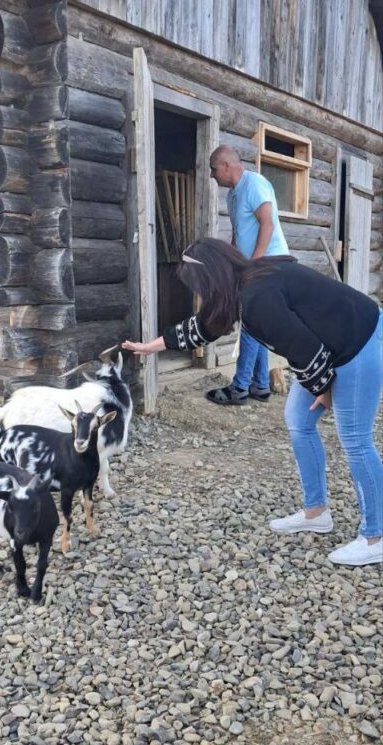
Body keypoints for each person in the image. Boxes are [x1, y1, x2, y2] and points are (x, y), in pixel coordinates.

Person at [123, 238, 383, 567]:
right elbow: (207, 325)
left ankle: (375, 537)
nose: (199, 295)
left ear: (211, 279)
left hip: (359, 340)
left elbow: (302, 347)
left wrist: (322, 387)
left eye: (198, 287)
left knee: (356, 440)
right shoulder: (243, 283)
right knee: (298, 420)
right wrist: (152, 347)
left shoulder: (257, 296)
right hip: (328, 347)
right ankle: (316, 511)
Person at [208, 145, 289, 405]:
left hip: (269, 263)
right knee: (258, 322)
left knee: (252, 322)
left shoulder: (254, 184)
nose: (211, 175)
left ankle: (240, 387)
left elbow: (267, 224)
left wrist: (255, 264)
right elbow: (239, 233)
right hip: (252, 265)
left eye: (213, 169)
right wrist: (233, 263)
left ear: (226, 166)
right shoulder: (233, 196)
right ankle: (260, 385)